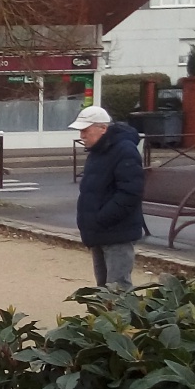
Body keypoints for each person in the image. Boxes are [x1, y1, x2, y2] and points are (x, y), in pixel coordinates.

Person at [69, 106, 144, 290]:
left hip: (117, 231)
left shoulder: (124, 150)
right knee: (103, 288)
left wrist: (102, 218)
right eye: (81, 131)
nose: (82, 135)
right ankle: (103, 318)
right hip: (98, 230)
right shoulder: (97, 151)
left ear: (103, 128)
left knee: (118, 288)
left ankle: (123, 319)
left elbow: (130, 192)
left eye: (85, 130)